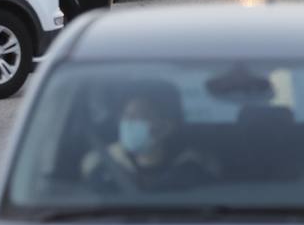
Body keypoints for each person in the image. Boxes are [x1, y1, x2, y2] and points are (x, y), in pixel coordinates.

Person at [82, 82, 216, 191]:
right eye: (125, 115)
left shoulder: (189, 172)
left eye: (138, 117)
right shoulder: (103, 168)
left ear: (165, 126)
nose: (128, 122)